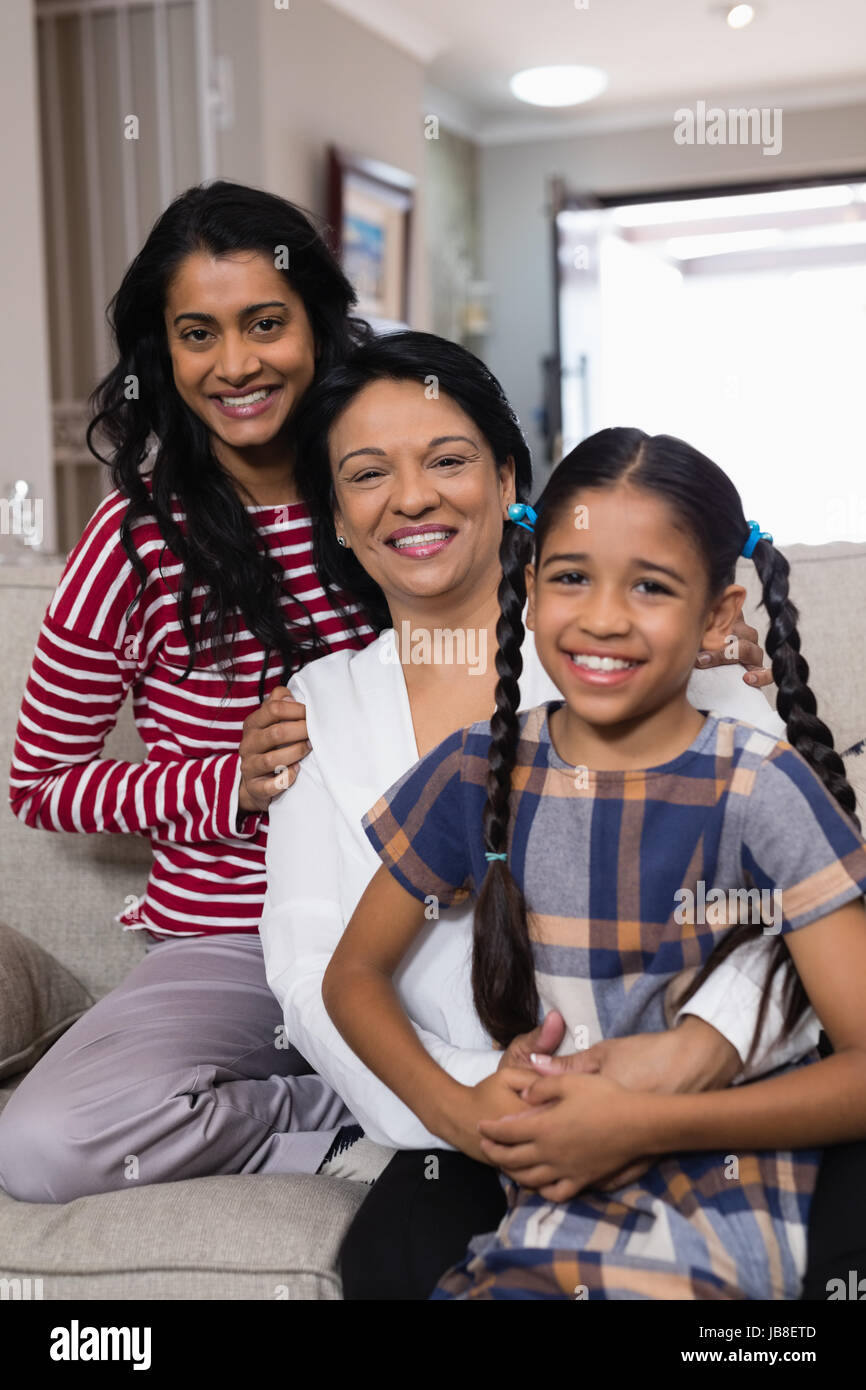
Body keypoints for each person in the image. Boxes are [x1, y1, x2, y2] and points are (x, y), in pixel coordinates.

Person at [258, 334, 818, 1297]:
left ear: (510, 478)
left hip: (700, 1095)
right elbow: (316, 976)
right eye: (366, 474)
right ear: (339, 520)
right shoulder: (317, 710)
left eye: (447, 459)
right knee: (400, 1264)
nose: (413, 497)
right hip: (465, 1123)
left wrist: (686, 1059)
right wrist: (476, 1105)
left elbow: (798, 913)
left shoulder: (650, 652)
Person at [0, 180, 382, 1202]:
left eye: (266, 323)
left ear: (318, 327)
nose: (236, 363)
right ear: (161, 356)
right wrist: (226, 781)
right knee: (42, 1145)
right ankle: (345, 1116)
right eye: (197, 332)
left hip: (414, 928)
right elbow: (41, 781)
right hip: (232, 948)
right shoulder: (132, 540)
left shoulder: (397, 493)